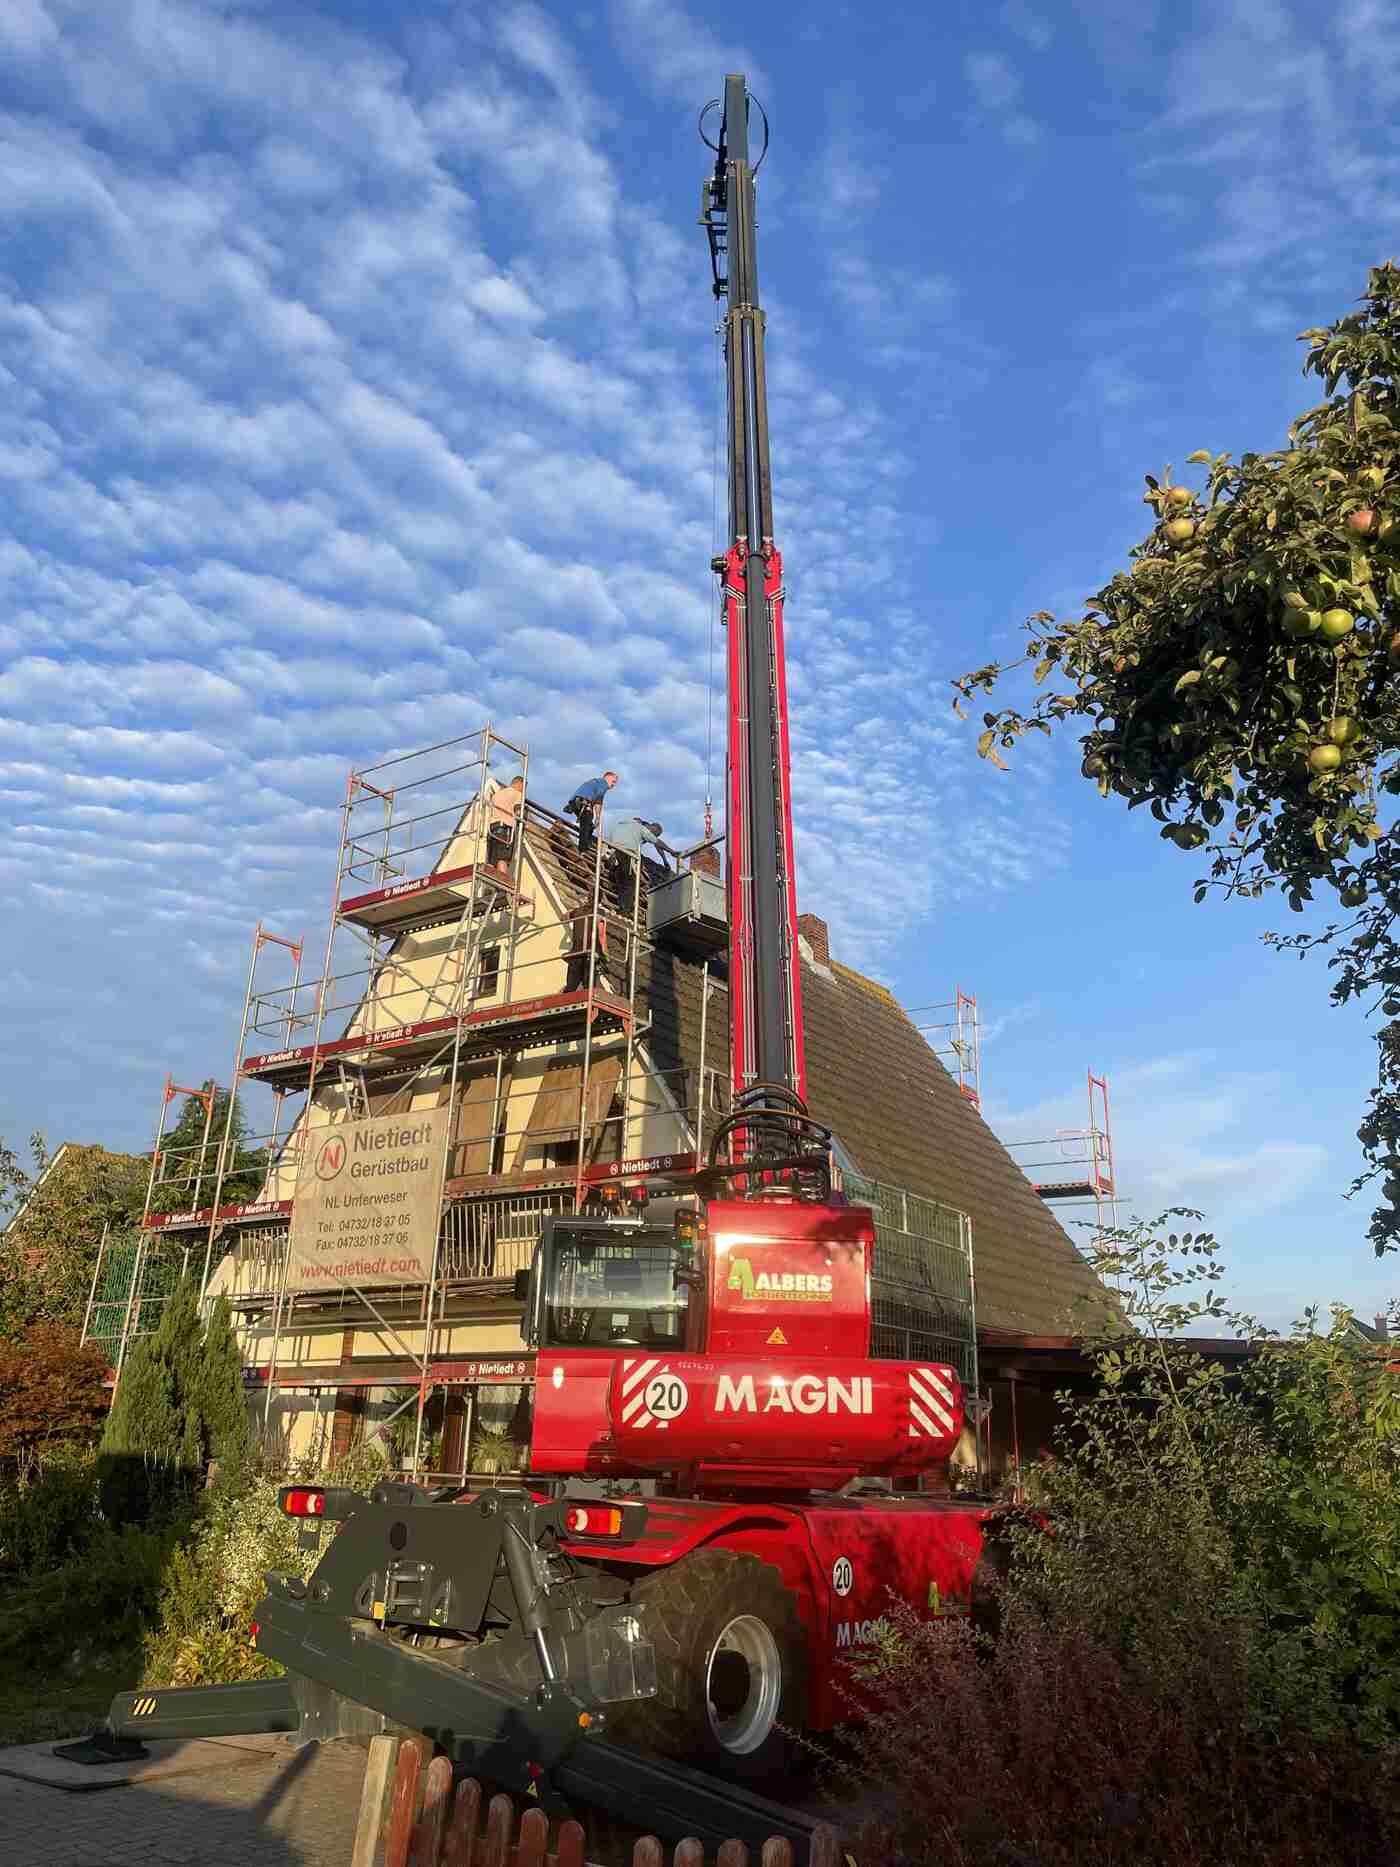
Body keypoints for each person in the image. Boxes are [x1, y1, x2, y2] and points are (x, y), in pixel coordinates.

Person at [607, 818, 670, 897]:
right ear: (652, 828)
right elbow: (657, 842)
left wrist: (665, 861)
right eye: (654, 834)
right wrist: (671, 852)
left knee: (627, 867)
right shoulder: (641, 825)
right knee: (630, 873)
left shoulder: (648, 831)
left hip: (624, 848)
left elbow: (657, 844)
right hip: (623, 848)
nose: (653, 836)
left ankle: (616, 878)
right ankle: (615, 879)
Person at [563, 770, 617, 854]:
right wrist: (588, 805)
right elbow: (593, 796)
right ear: (607, 777)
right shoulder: (603, 784)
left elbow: (598, 802)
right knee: (586, 823)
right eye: (613, 781)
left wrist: (598, 817)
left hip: (576, 800)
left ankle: (587, 845)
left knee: (589, 826)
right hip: (583, 801)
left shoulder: (597, 784)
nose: (614, 785)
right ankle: (583, 849)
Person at [487, 775, 524, 877]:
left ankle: (488, 885)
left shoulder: (497, 794)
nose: (523, 790)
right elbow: (518, 811)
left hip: (492, 828)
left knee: (491, 860)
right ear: (519, 783)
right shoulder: (517, 794)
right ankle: (501, 887)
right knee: (502, 859)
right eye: (523, 787)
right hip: (504, 829)